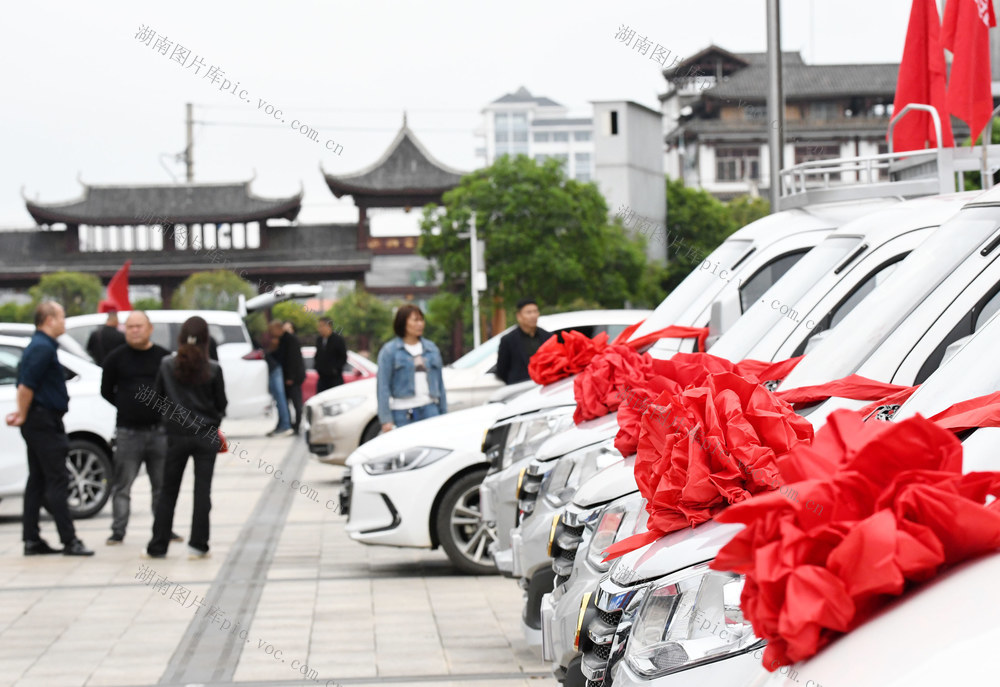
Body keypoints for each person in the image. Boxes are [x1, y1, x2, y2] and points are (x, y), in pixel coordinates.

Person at [7, 301, 93, 556]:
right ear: (49, 320)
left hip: (40, 419)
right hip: (43, 422)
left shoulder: (40, 346)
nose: (64, 322)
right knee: (57, 480)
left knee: (37, 481)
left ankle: (31, 539)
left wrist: (24, 413)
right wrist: (22, 414)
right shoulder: (41, 348)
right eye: (62, 317)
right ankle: (70, 540)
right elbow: (25, 386)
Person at [146, 316, 227, 559]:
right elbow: (221, 404)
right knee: (202, 492)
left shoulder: (166, 365)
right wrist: (212, 423)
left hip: (175, 436)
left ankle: (158, 545)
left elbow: (156, 399)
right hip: (206, 435)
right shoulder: (213, 368)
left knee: (168, 491)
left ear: (181, 336)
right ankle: (198, 545)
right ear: (206, 339)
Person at [101, 311, 181, 546]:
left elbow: (173, 391)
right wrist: (126, 405)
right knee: (122, 485)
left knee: (161, 486)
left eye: (139, 326)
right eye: (130, 326)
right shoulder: (115, 358)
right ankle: (118, 531)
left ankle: (164, 528)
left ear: (149, 329)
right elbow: (106, 391)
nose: (134, 330)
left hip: (159, 432)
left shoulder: (164, 358)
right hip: (128, 432)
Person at [376, 305, 446, 432]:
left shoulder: (431, 348)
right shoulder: (389, 351)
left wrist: (443, 411)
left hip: (430, 409)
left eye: (421, 320)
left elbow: (440, 383)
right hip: (402, 413)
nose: (420, 324)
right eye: (415, 320)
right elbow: (383, 386)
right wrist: (386, 419)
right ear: (403, 322)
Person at [496, 298, 553, 384]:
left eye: (535, 311)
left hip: (545, 385)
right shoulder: (508, 340)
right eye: (529, 312)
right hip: (519, 387)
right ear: (519, 316)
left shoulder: (548, 337)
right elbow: (501, 370)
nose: (533, 315)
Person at [271, 320, 305, 433]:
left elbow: (293, 359)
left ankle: (297, 425)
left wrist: (291, 377)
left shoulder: (291, 339)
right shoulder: (282, 340)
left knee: (296, 403)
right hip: (286, 377)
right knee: (284, 402)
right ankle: (287, 423)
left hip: (293, 378)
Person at [263, 326, 294, 437]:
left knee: (281, 398)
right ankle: (283, 424)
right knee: (278, 399)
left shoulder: (286, 339)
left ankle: (286, 425)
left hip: (276, 370)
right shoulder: (279, 340)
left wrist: (290, 376)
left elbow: (289, 358)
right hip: (275, 369)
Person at [314, 317, 347, 393]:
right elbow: (318, 355)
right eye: (319, 326)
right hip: (322, 378)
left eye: (321, 326)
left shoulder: (338, 340)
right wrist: (317, 367)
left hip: (335, 379)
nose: (319, 329)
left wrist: (335, 370)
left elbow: (343, 357)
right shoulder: (319, 340)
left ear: (329, 326)